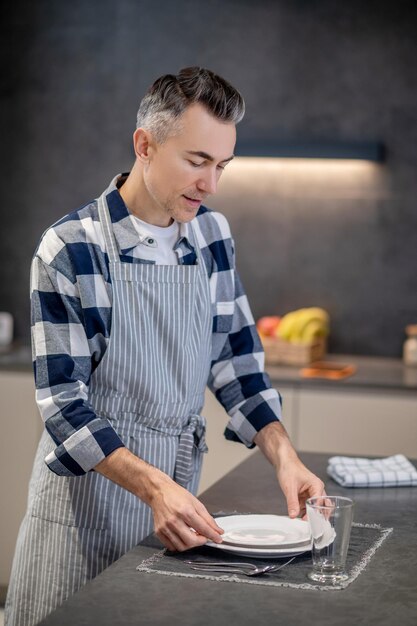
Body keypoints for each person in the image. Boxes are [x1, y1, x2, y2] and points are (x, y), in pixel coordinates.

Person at [5, 67, 324, 626]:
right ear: (145, 145)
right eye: (197, 161)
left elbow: (238, 362)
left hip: (177, 512)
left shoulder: (211, 237)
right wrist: (155, 487)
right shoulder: (71, 248)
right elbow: (63, 405)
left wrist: (285, 457)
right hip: (83, 515)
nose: (211, 184)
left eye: (222, 166)